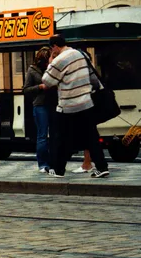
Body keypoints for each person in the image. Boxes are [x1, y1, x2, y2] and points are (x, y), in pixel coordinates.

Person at [42, 35, 109, 178]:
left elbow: (47, 81)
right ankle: (102, 167)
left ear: (54, 46)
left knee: (61, 138)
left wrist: (50, 61)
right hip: (86, 103)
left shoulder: (59, 60)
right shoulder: (81, 54)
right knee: (92, 137)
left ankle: (58, 170)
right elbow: (93, 78)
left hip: (68, 105)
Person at [23, 47, 57, 173]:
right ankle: (43, 164)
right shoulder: (32, 70)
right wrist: (40, 87)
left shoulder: (54, 68)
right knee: (42, 135)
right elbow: (26, 90)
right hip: (40, 104)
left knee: (54, 134)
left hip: (54, 103)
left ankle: (54, 162)